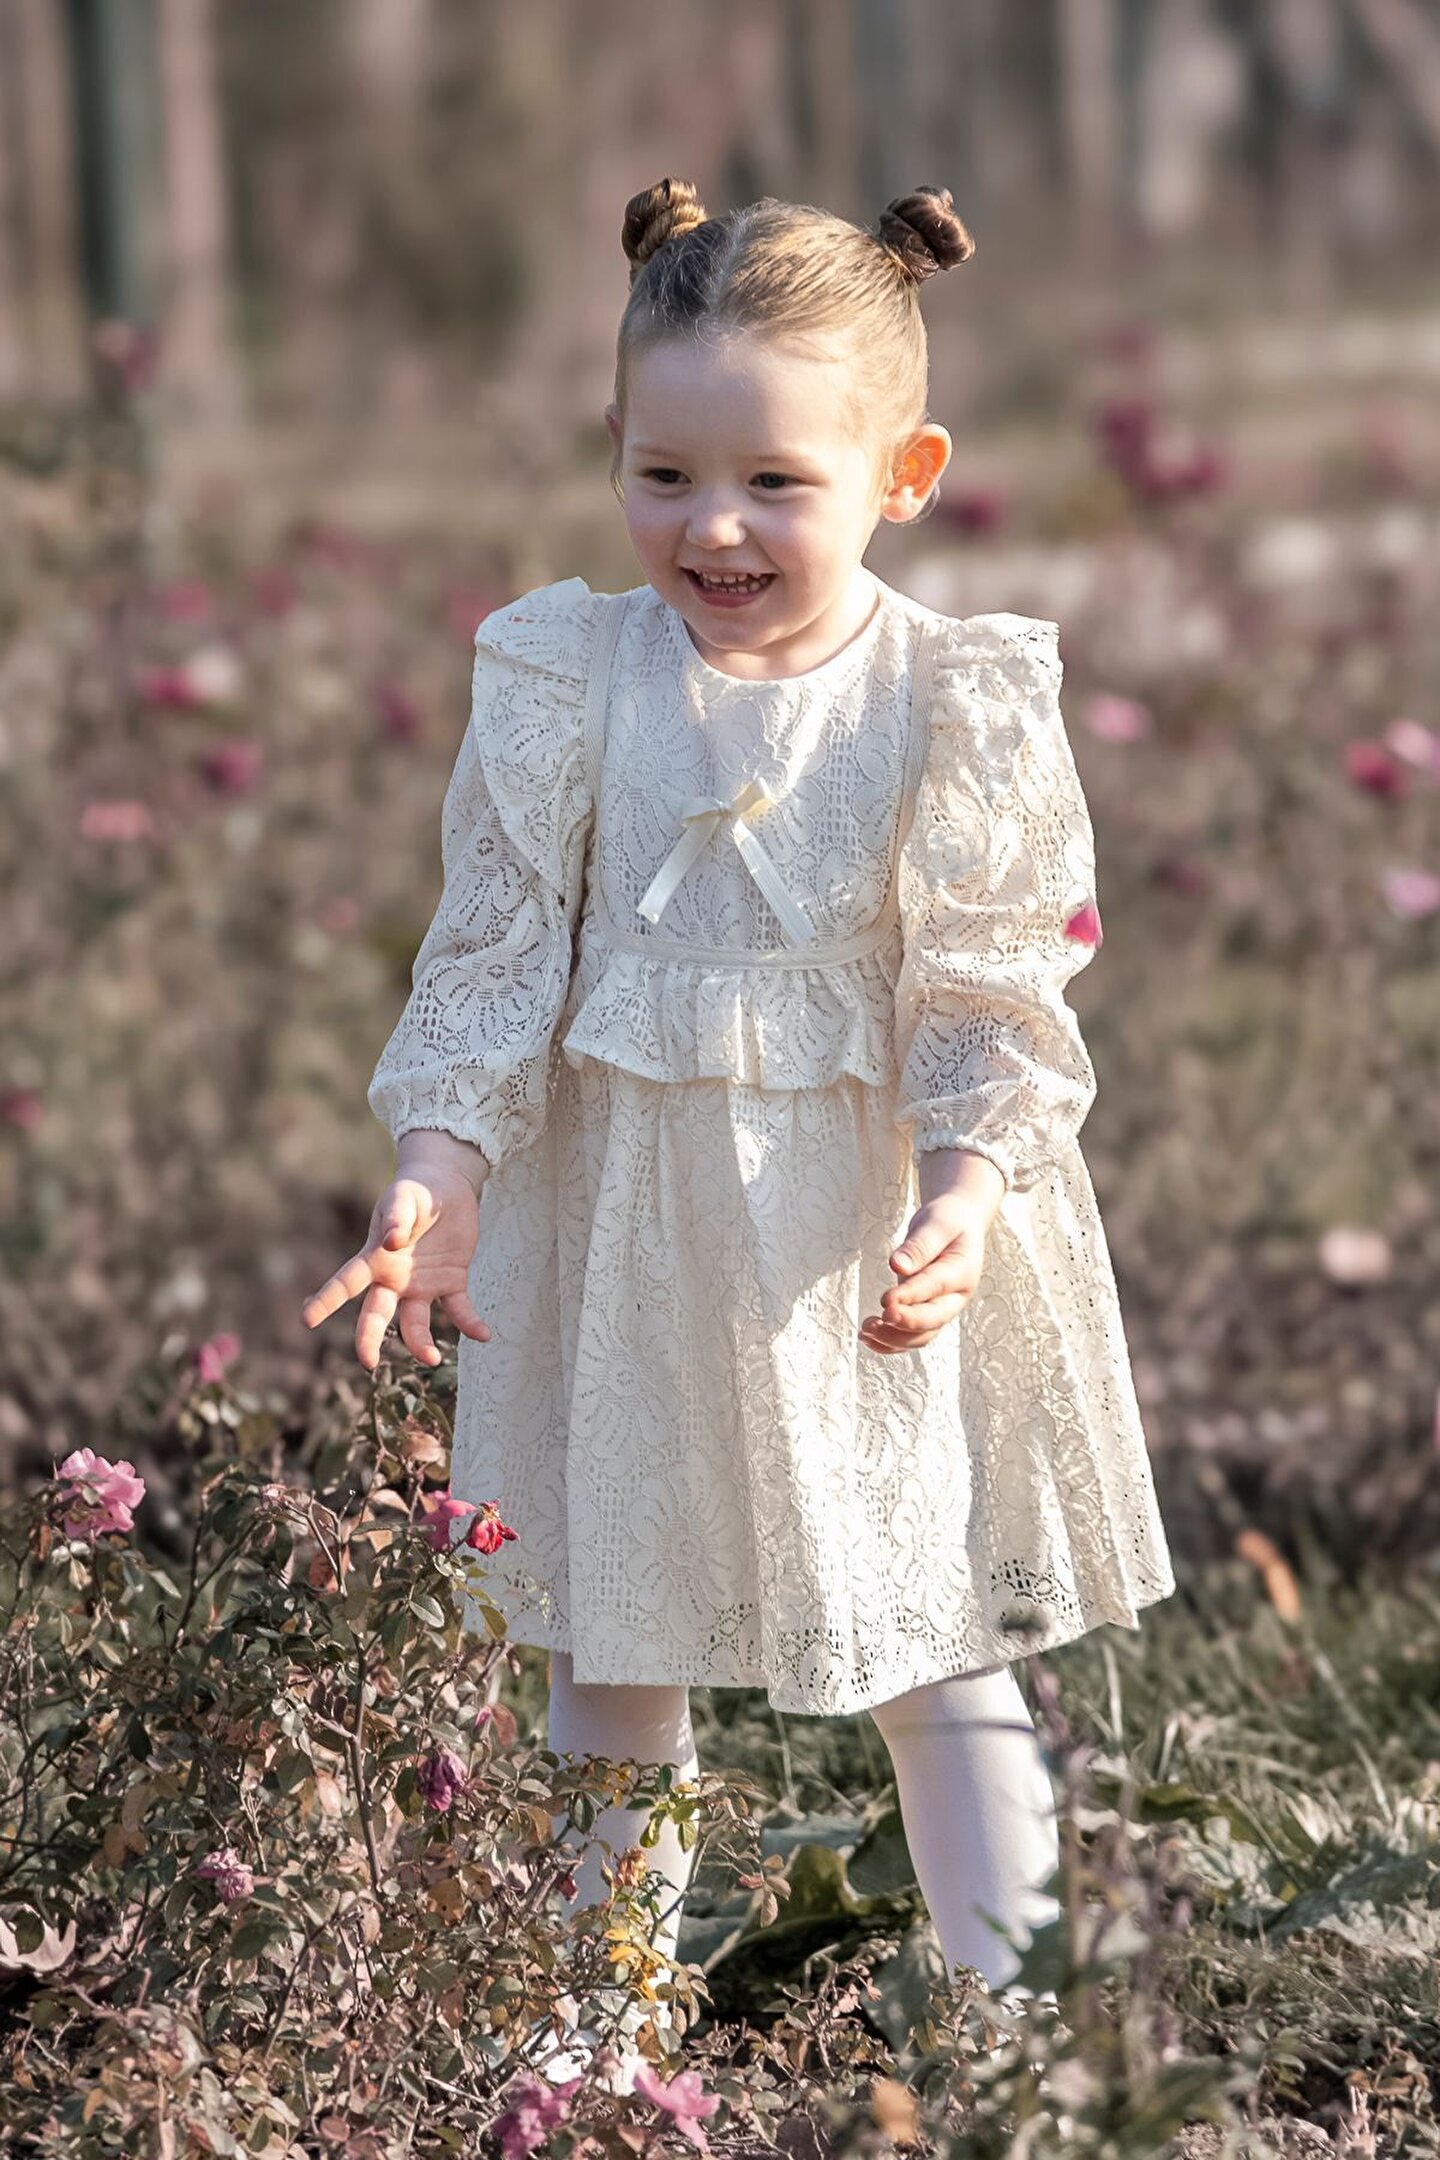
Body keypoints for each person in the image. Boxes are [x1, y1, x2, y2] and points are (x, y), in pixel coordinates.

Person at [300, 176, 1175, 2046]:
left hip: (857, 1241)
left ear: (904, 473)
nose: (714, 525)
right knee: (611, 1643)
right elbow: (494, 951)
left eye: (777, 480)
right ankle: (598, 2026)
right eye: (665, 474)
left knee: (931, 1635)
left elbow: (989, 979)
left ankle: (1012, 2029)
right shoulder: (565, 679)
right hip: (622, 1227)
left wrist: (970, 1186)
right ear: (613, 450)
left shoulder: (949, 698)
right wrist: (440, 1167)